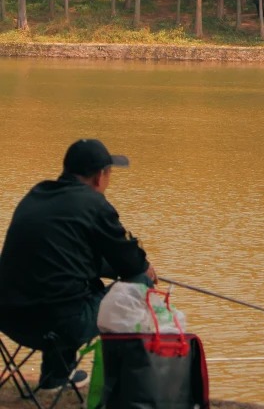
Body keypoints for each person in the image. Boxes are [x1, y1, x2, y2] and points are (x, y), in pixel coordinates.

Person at [0, 138, 155, 393]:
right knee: (140, 280)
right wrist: (144, 269)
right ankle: (129, 383)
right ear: (99, 177)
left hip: (10, 318)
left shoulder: (37, 194)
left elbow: (71, 257)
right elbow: (131, 264)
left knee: (64, 284)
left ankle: (56, 378)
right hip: (57, 327)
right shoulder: (95, 205)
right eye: (110, 174)